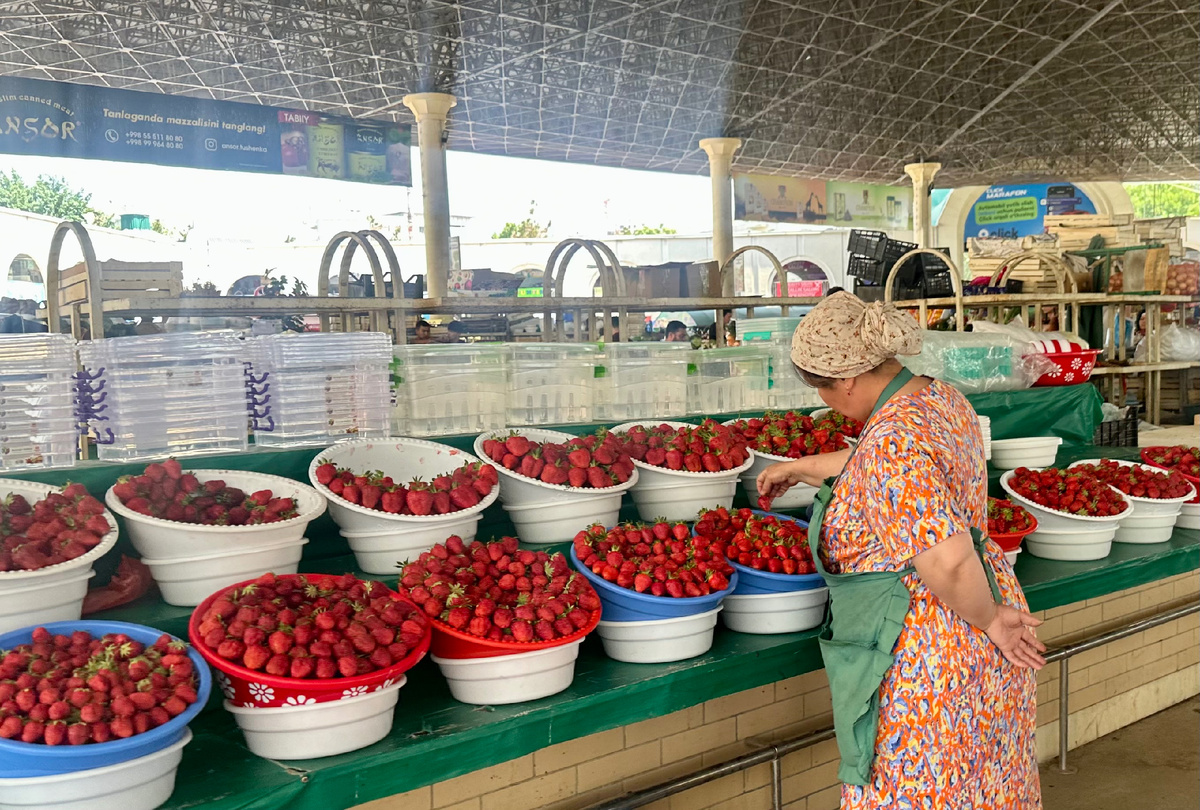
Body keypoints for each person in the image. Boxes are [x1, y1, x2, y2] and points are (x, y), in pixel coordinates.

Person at [756, 292, 1043, 809]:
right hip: (978, 624)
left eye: (823, 390)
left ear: (845, 379)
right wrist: (800, 467)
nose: (828, 402)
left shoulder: (893, 440)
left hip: (933, 652)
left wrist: (992, 619)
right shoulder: (938, 398)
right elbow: (879, 461)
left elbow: (949, 561)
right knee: (985, 787)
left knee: (921, 791)